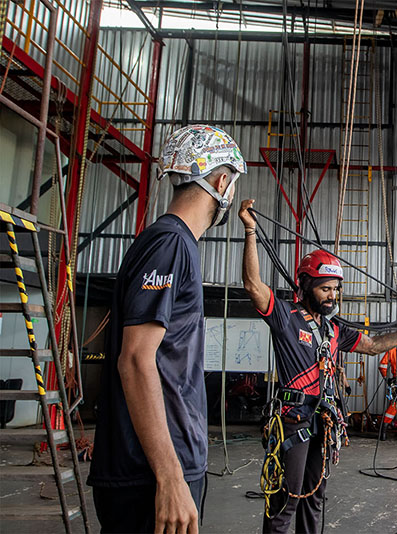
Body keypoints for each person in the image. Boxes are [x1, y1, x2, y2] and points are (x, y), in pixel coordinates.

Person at [238, 199, 397, 534]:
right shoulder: (285, 318)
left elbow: (373, 346)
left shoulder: (335, 330)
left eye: (335, 290)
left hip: (323, 421)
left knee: (315, 497)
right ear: (305, 286)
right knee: (286, 498)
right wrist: (250, 231)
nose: (332, 296)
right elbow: (253, 286)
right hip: (294, 421)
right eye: (325, 288)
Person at [88, 125, 247, 534]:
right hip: (151, 475)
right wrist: (171, 477)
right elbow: (136, 360)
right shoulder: (170, 244)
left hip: (156, 469)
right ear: (221, 181)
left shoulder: (171, 243)